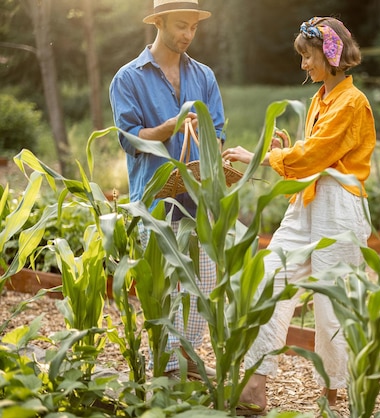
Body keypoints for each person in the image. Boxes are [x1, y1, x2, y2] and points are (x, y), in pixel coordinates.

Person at [222, 16, 375, 415]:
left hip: (338, 209)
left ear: (330, 54)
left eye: (308, 57)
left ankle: (334, 396)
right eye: (302, 57)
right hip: (306, 201)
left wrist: (261, 156)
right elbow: (312, 153)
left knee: (332, 307)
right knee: (268, 281)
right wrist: (289, 147)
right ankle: (255, 386)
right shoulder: (319, 99)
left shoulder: (353, 102)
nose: (303, 65)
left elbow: (314, 158)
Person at [109, 0, 226, 379]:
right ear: (157, 22)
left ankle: (187, 356)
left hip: (198, 194)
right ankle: (168, 366)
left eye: (193, 27)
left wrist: (211, 148)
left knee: (203, 284)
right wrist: (171, 127)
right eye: (180, 26)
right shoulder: (128, 78)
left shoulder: (205, 76)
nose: (187, 35)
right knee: (166, 288)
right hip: (156, 200)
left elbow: (218, 133)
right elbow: (131, 140)